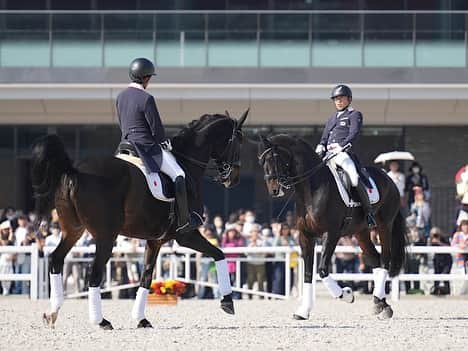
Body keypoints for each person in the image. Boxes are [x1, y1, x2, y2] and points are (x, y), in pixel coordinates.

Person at [115, 57, 198, 234]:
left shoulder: (120, 96)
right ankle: (183, 221)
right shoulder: (146, 98)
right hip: (145, 148)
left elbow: (122, 123)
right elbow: (157, 130)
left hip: (125, 145)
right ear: (146, 78)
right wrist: (164, 142)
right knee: (179, 174)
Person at [315, 84, 376, 228]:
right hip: (328, 155)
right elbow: (325, 136)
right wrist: (321, 145)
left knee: (353, 178)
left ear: (349, 99)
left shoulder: (354, 114)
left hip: (343, 153)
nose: (338, 101)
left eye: (341, 98)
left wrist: (342, 147)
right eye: (336, 99)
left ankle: (368, 213)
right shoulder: (331, 118)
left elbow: (354, 134)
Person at [428, 227, 452, 295]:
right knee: (436, 275)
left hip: (446, 260)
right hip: (437, 260)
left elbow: (449, 247)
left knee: (446, 276)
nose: (435, 235)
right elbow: (429, 248)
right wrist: (432, 240)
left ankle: (447, 291)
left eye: (436, 234)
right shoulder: (432, 239)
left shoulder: (445, 238)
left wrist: (439, 242)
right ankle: (436, 290)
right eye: (433, 234)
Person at [451, 219, 468, 295]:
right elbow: (453, 244)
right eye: (464, 225)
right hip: (460, 259)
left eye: (467, 225)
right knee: (461, 276)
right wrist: (460, 246)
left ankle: (464, 293)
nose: (466, 227)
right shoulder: (457, 235)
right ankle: (461, 293)